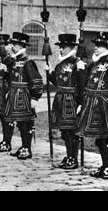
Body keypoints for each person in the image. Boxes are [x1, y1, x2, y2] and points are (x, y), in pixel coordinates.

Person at [78, 32, 108, 179]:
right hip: (93, 106)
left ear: (107, 48)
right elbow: (84, 84)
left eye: (99, 46)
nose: (95, 48)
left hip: (107, 106)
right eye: (96, 45)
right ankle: (104, 165)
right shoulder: (94, 65)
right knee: (100, 139)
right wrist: (81, 70)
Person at [45, 34, 86, 169]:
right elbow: (57, 82)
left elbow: (82, 86)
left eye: (64, 47)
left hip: (71, 102)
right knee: (64, 131)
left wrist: (81, 103)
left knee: (72, 131)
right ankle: (69, 156)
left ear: (72, 48)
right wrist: (49, 73)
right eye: (60, 47)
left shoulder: (78, 64)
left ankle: (73, 159)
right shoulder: (60, 65)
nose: (61, 50)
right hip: (60, 102)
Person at [4, 32, 43, 160]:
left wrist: (35, 98)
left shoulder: (28, 62)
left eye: (14, 45)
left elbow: (36, 81)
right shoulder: (15, 61)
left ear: (21, 46)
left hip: (24, 97)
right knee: (20, 123)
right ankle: (23, 146)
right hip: (15, 96)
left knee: (26, 123)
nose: (12, 47)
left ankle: (27, 148)